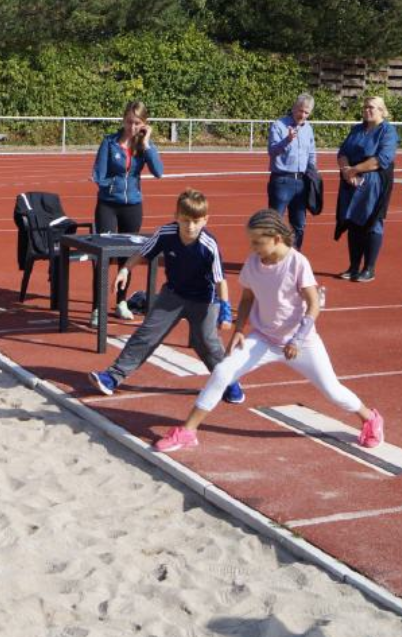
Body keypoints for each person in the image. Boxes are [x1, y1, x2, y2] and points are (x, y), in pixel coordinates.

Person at [153, 209, 384, 453]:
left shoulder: (297, 263)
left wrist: (297, 339)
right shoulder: (254, 262)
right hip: (263, 338)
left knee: (333, 391)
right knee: (222, 372)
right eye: (251, 242)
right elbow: (247, 298)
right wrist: (239, 330)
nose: (253, 248)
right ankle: (188, 432)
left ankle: (370, 418)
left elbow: (314, 304)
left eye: (257, 242)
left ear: (276, 238)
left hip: (301, 343)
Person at [89, 189, 246, 404]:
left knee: (206, 344)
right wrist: (125, 269)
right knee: (146, 334)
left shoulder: (209, 245)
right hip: (173, 295)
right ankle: (112, 377)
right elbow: (142, 253)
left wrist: (225, 310)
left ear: (205, 220)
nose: (190, 226)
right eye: (185, 220)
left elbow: (220, 280)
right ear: (176, 217)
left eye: (196, 221)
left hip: (204, 300)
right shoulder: (165, 233)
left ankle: (229, 382)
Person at [91, 100, 164, 324]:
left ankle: (121, 302)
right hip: (108, 205)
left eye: (137, 123)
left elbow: (158, 171)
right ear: (123, 120)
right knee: (103, 256)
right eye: (129, 122)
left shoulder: (143, 146)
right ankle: (97, 308)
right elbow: (98, 175)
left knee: (128, 256)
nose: (132, 127)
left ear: (144, 124)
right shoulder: (109, 142)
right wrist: (112, 185)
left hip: (133, 206)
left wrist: (147, 143)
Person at [335, 96, 398, 283]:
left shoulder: (388, 131)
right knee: (353, 222)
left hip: (374, 182)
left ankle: (369, 269)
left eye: (371, 107)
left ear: (382, 111)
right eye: (365, 107)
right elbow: (342, 153)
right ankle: (353, 266)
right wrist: (347, 171)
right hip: (351, 180)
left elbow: (381, 159)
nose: (367, 110)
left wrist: (354, 170)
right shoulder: (357, 129)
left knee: (372, 223)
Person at [267, 94, 317, 250]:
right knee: (275, 223)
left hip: (301, 182)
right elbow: (272, 151)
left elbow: (311, 153)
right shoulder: (279, 125)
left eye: (307, 112)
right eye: (300, 111)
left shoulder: (308, 128)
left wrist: (313, 173)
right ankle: (273, 255)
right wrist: (287, 140)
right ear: (294, 108)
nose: (303, 115)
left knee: (299, 224)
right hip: (282, 180)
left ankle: (294, 255)